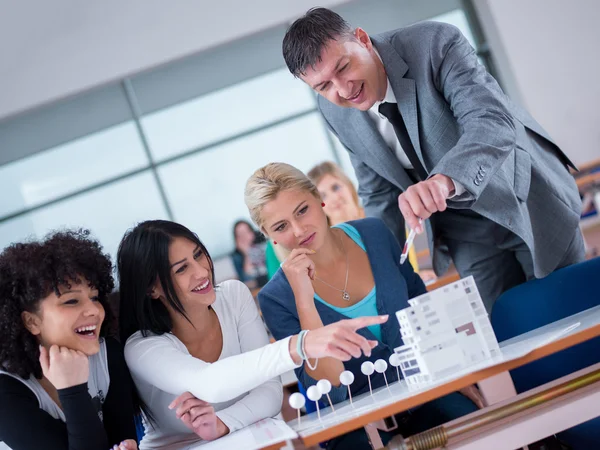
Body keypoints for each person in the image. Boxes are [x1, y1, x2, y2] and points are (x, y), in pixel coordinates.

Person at [282, 8, 585, 311]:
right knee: (506, 331)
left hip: (525, 198)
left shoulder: (434, 44)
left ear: (362, 40)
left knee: (570, 317)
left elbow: (490, 121)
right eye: (323, 86)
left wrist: (444, 182)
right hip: (464, 231)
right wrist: (376, 266)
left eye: (344, 67)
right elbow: (378, 191)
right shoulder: (334, 111)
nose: (343, 89)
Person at [244, 163, 479, 450]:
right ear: (270, 236)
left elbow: (419, 300)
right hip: (352, 423)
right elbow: (329, 387)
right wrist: (304, 300)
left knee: (475, 425)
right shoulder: (276, 297)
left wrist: (457, 375)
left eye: (302, 210)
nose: (298, 230)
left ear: (318, 199)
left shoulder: (374, 232)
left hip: (424, 390)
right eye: (281, 226)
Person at [117, 219, 388, 450]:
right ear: (152, 289)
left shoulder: (233, 296)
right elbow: (209, 383)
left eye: (198, 255)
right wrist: (302, 345)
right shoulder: (141, 347)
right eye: (181, 269)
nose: (201, 272)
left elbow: (270, 393)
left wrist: (223, 424)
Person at [0, 230, 139, 450]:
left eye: (94, 297)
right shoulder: (6, 393)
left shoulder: (106, 356)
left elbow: (122, 442)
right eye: (72, 301)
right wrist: (72, 390)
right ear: (31, 321)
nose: (93, 310)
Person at [308, 161, 437, 284]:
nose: (334, 198)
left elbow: (404, 259)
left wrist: (413, 276)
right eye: (323, 196)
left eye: (335, 187)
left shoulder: (382, 216)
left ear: (348, 185)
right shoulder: (323, 244)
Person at [231, 220, 268, 288]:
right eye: (239, 235)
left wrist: (257, 282)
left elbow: (273, 273)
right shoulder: (237, 257)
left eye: (245, 233)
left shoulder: (264, 246)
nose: (243, 237)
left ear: (252, 233)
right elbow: (247, 282)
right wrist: (246, 254)